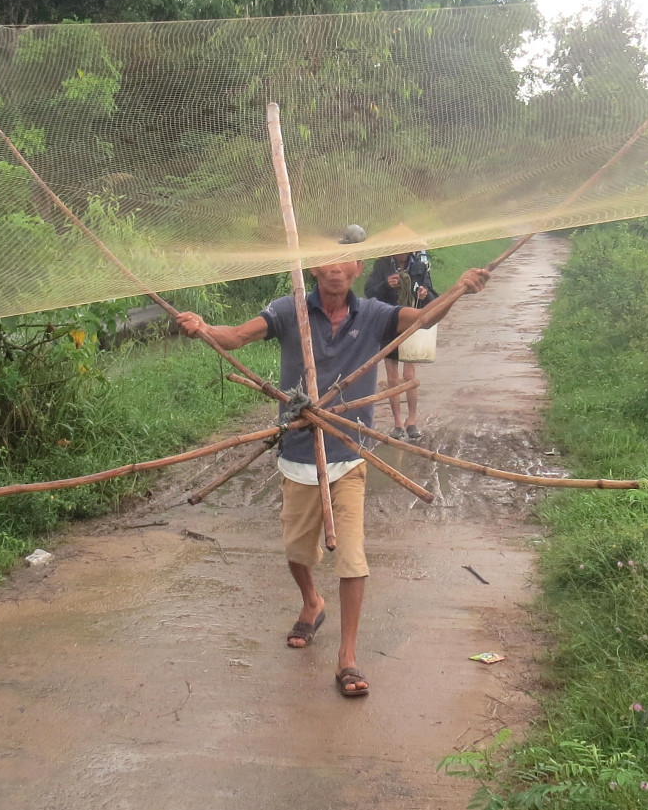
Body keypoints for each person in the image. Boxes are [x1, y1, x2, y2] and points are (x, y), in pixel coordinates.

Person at [177, 255, 490, 697]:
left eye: (344, 263)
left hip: (349, 456)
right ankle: (311, 600)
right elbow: (238, 337)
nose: (336, 270)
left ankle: (347, 657)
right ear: (314, 270)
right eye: (326, 263)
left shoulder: (376, 314)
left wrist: (458, 289)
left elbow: (422, 320)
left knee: (352, 557)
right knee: (296, 549)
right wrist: (204, 328)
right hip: (298, 452)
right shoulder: (290, 311)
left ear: (357, 267)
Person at [364, 251, 435, 439]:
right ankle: (397, 423)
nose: (401, 254)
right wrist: (385, 285)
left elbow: (433, 295)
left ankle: (412, 421)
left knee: (409, 375)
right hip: (388, 321)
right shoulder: (382, 265)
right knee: (392, 377)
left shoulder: (419, 267)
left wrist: (424, 294)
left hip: (411, 322)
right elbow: (369, 292)